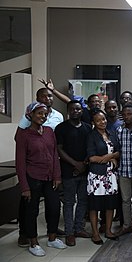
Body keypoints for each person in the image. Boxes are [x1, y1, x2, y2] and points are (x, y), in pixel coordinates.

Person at [15, 102, 67, 257]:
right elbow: (20, 163)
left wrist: (57, 176)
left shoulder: (50, 131)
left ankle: (52, 238)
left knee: (54, 206)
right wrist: (24, 187)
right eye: (39, 113)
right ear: (30, 114)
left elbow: (54, 156)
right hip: (33, 178)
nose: (42, 117)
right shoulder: (23, 135)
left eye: (45, 114)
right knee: (32, 211)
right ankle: (33, 242)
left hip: (50, 178)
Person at [55, 100, 92, 247]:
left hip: (85, 171)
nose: (75, 111)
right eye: (72, 109)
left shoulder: (88, 128)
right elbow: (59, 150)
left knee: (83, 201)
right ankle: (69, 233)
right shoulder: (61, 128)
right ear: (68, 111)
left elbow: (91, 148)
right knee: (69, 203)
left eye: (78, 109)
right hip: (68, 172)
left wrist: (83, 164)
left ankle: (79, 229)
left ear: (82, 111)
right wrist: (75, 164)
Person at [86, 109, 120, 245]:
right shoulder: (91, 136)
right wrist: (107, 158)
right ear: (93, 122)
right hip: (96, 176)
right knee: (94, 206)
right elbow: (91, 157)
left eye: (104, 119)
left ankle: (108, 230)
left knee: (110, 204)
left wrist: (111, 156)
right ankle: (95, 233)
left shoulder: (111, 134)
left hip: (111, 175)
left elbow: (118, 152)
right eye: (99, 120)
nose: (102, 122)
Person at [115, 104, 132, 236]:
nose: (126, 117)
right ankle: (127, 225)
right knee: (125, 200)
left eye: (129, 114)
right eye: (124, 114)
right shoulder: (119, 130)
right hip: (123, 171)